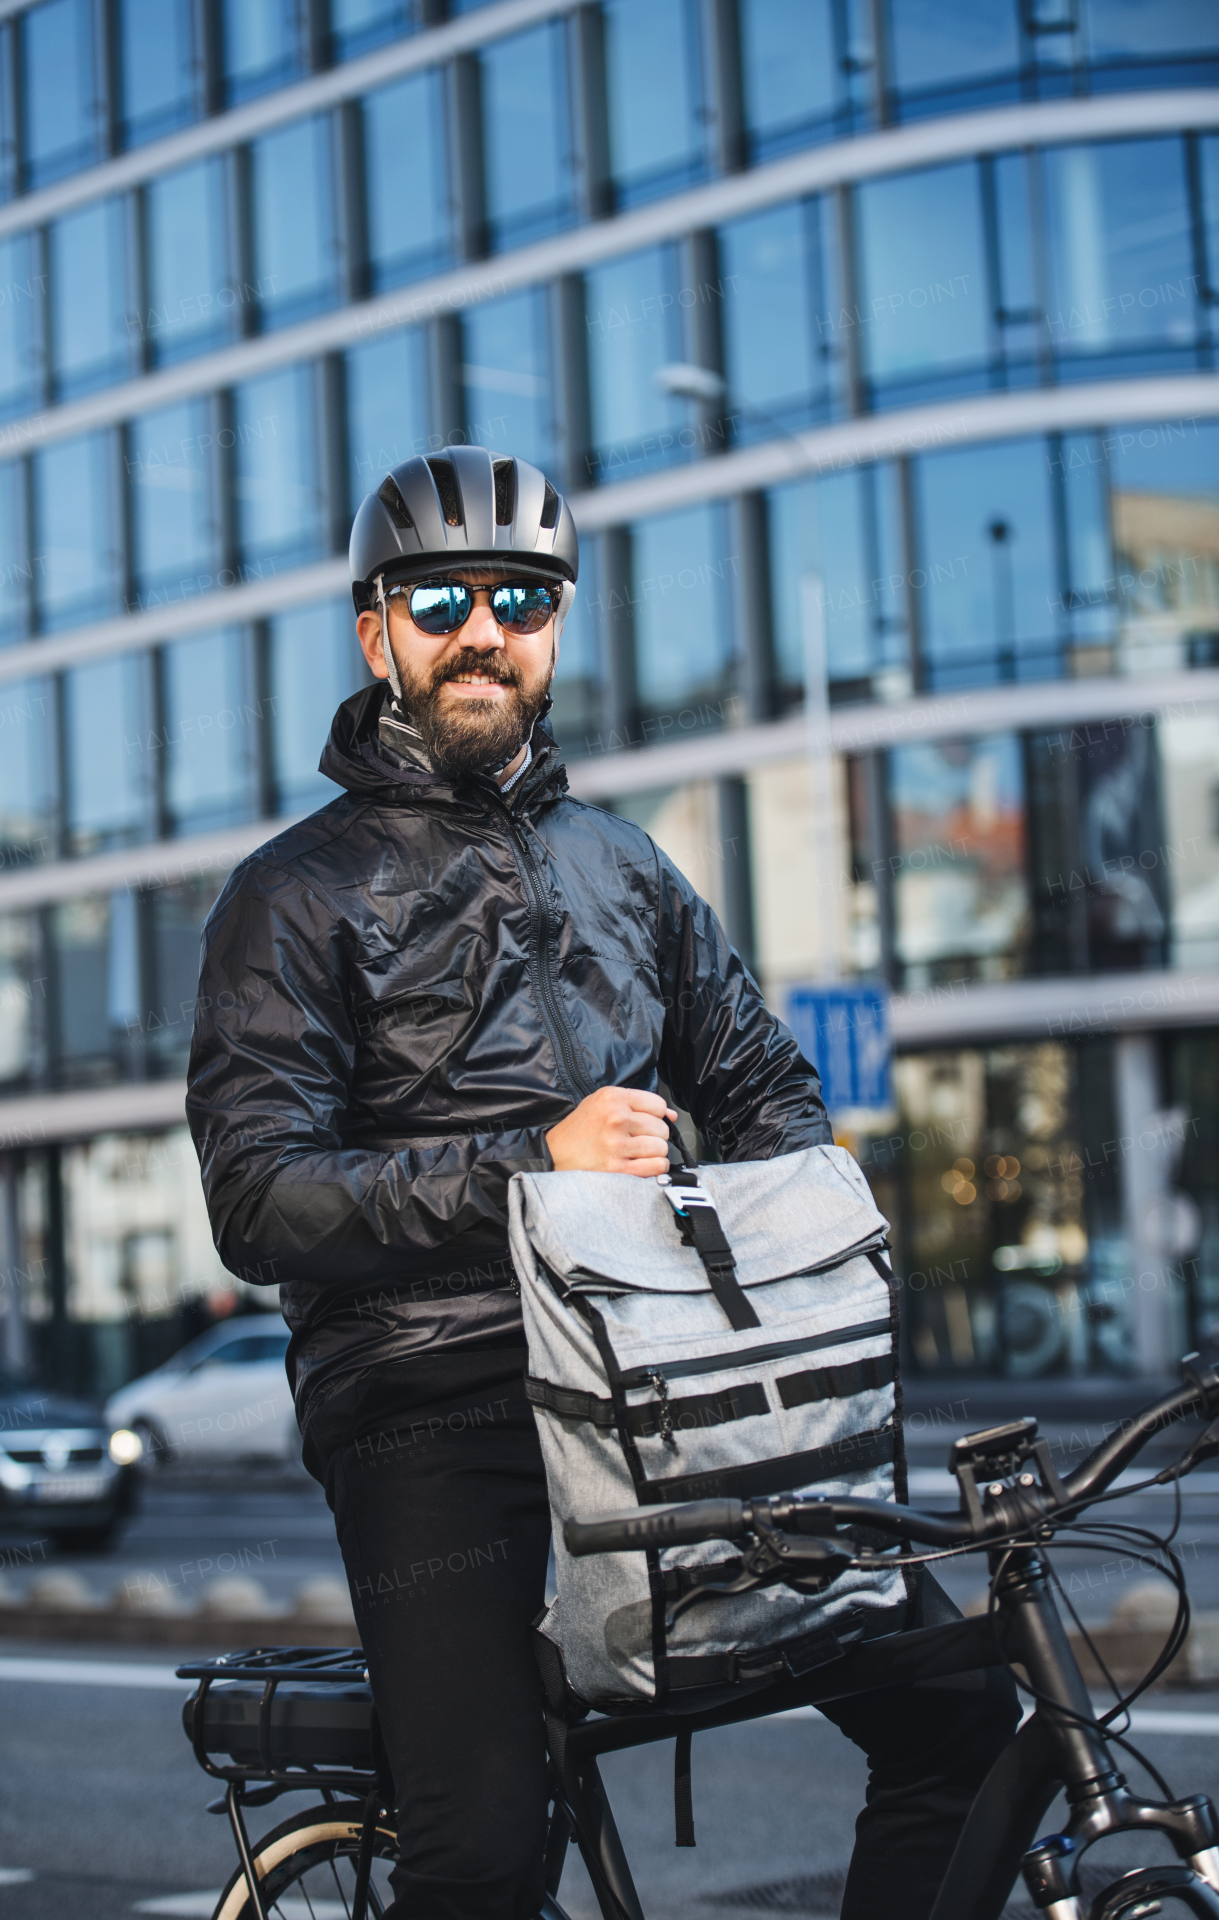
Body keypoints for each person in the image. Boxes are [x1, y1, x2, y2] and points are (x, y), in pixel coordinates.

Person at [187, 446, 1017, 1920]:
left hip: (665, 1390)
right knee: (486, 1853)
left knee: (957, 1706)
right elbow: (261, 1198)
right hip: (434, 1412)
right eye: (438, 598)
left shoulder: (628, 869)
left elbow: (766, 1087)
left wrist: (767, 1248)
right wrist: (533, 1169)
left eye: (521, 597)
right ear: (377, 632)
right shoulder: (292, 893)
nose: (481, 630)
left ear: (557, 628)